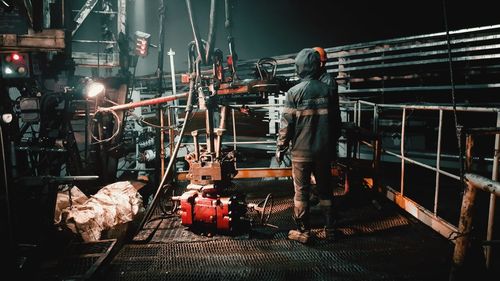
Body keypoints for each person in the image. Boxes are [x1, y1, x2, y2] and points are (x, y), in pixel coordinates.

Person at [276, 48, 342, 243]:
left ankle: (304, 232)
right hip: (323, 151)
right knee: (325, 191)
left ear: (300, 67)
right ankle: (330, 229)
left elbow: (286, 126)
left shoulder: (293, 93)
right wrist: (330, 146)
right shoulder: (328, 90)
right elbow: (336, 124)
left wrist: (280, 147)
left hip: (300, 154)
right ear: (317, 65)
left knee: (301, 193)